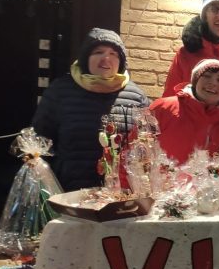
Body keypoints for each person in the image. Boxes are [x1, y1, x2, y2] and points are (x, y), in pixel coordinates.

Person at [32, 28, 150, 191]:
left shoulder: (136, 97)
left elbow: (146, 145)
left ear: (121, 61)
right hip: (69, 193)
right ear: (85, 58)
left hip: (120, 194)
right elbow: (40, 140)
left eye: (113, 54)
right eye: (98, 52)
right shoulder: (60, 91)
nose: (106, 58)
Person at [150, 59, 219, 163]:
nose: (213, 83)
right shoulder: (163, 107)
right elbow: (136, 150)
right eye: (207, 76)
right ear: (195, 81)